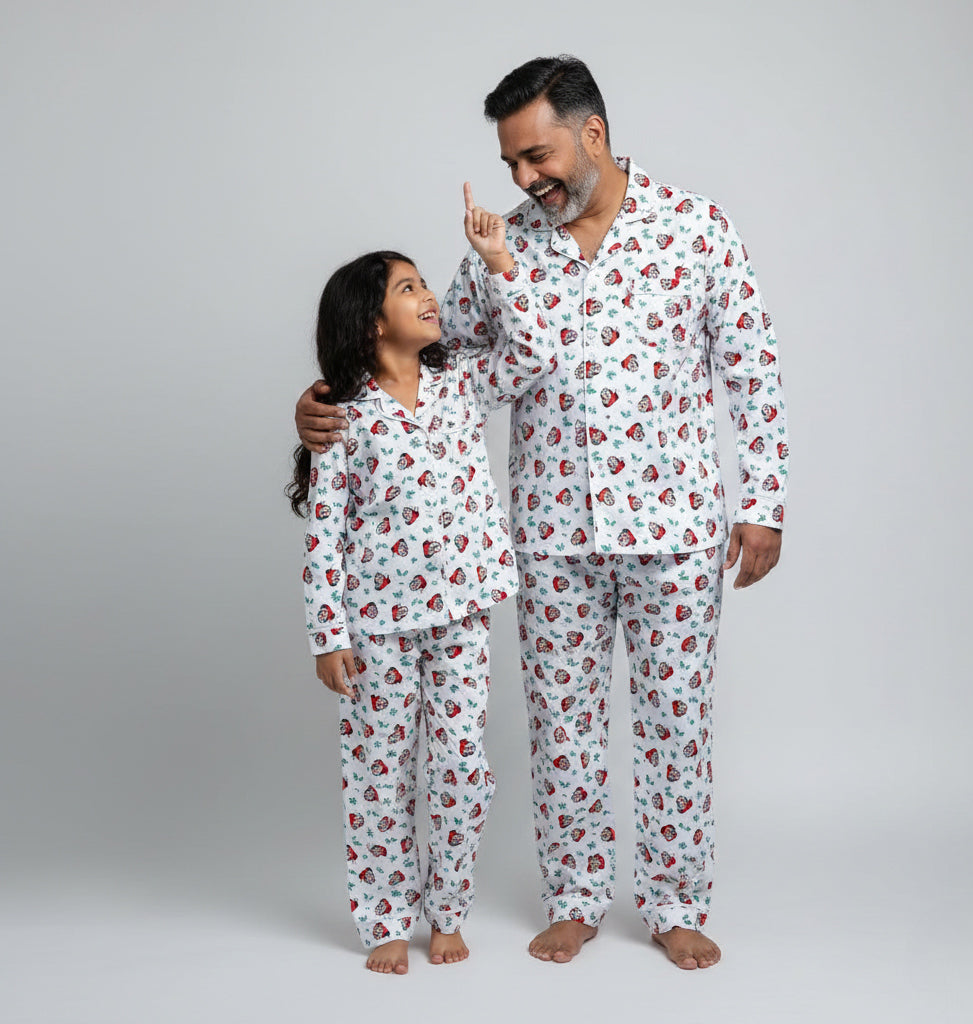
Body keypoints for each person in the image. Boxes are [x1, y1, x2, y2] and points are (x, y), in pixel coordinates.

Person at [295, 56, 789, 971]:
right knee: (561, 724)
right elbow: (432, 368)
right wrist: (321, 408)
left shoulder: (696, 229)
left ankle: (674, 903)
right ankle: (576, 896)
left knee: (676, 720)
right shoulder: (505, 247)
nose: (525, 179)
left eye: (537, 156)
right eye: (513, 162)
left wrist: (762, 503)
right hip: (550, 532)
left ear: (590, 133)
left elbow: (751, 368)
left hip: (676, 524)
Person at [288, 188, 556, 974]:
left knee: (461, 767)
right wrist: (327, 635)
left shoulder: (460, 383)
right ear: (372, 323)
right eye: (408, 288)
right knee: (377, 773)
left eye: (423, 283)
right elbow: (326, 532)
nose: (429, 295)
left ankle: (448, 913)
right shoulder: (345, 414)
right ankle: (381, 919)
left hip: (464, 613)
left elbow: (536, 352)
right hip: (378, 626)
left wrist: (499, 262)